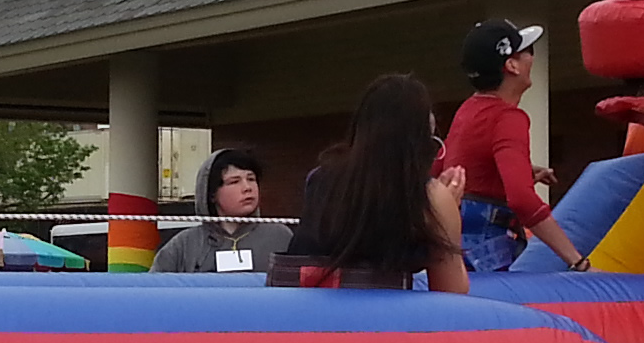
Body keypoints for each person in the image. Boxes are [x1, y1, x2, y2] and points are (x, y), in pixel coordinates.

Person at [439, 20, 592, 276]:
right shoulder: (508, 117)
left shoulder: (467, 110)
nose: (532, 58)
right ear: (511, 65)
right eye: (528, 52)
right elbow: (522, 199)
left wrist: (523, 169)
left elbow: (456, 167)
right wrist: (578, 262)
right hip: (486, 249)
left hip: (454, 243)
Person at [306, 73, 470, 293]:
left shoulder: (320, 180)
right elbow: (452, 291)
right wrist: (448, 213)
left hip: (315, 312)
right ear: (420, 138)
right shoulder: (430, 197)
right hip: (388, 320)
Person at [152, 147, 292, 275]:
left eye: (251, 179)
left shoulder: (280, 237)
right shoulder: (185, 244)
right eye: (234, 181)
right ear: (212, 194)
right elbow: (155, 290)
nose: (247, 187)